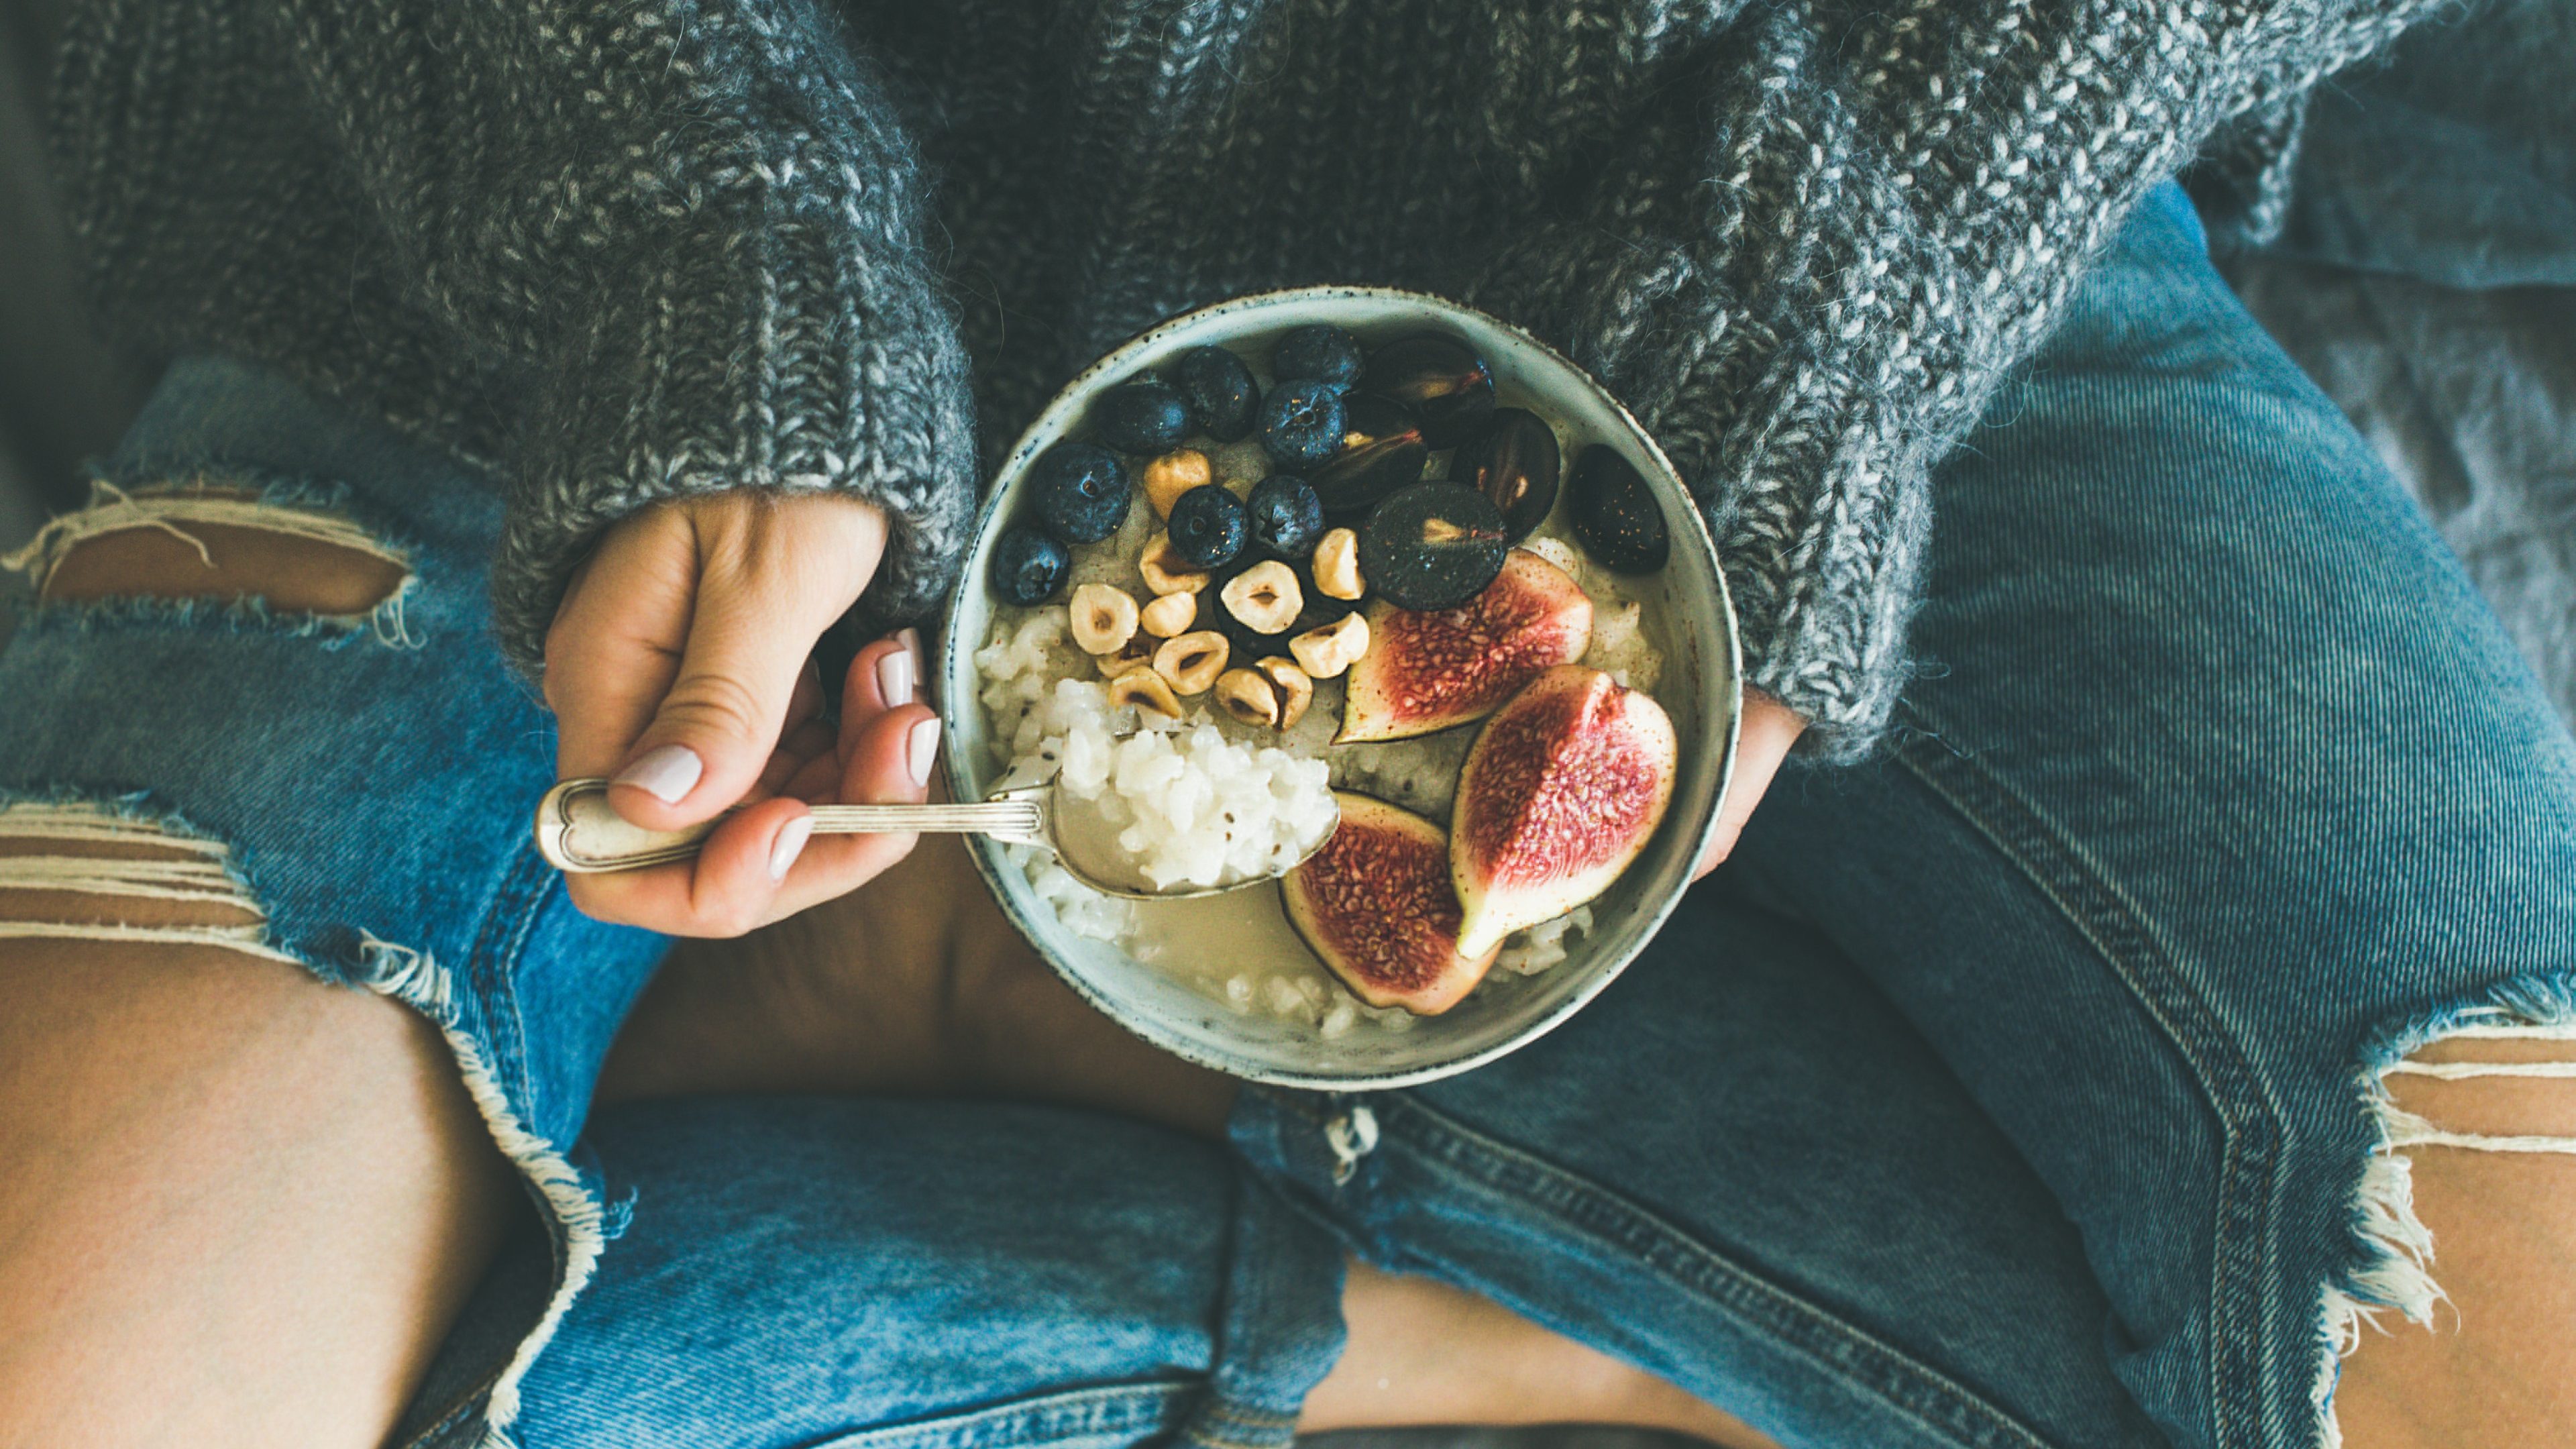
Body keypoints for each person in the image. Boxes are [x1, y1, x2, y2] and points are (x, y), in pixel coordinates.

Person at [3, 1, 2571, 1447]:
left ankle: (1035, 1079)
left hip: (1854, 197)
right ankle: (1476, 1255)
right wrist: (682, 242)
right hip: (562, 208)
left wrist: (1822, 311)